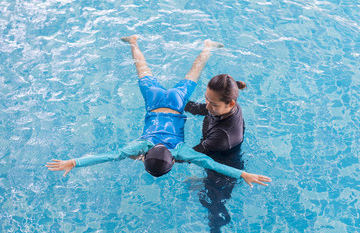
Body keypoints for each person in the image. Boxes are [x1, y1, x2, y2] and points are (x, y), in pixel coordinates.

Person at [46, 35, 271, 187]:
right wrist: (73, 162)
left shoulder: (180, 151)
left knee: (192, 73)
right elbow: (111, 156)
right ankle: (133, 42)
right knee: (143, 70)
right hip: (155, 103)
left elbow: (210, 164)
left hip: (177, 103)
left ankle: (208, 47)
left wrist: (243, 174)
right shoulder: (142, 146)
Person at [185, 74, 265, 232]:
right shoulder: (223, 105)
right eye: (207, 99)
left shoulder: (223, 136)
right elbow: (204, 108)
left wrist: (163, 155)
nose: (208, 106)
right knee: (196, 186)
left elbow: (191, 155)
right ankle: (203, 182)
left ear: (231, 104)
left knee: (212, 205)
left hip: (223, 172)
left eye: (212, 104)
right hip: (222, 157)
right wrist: (178, 103)